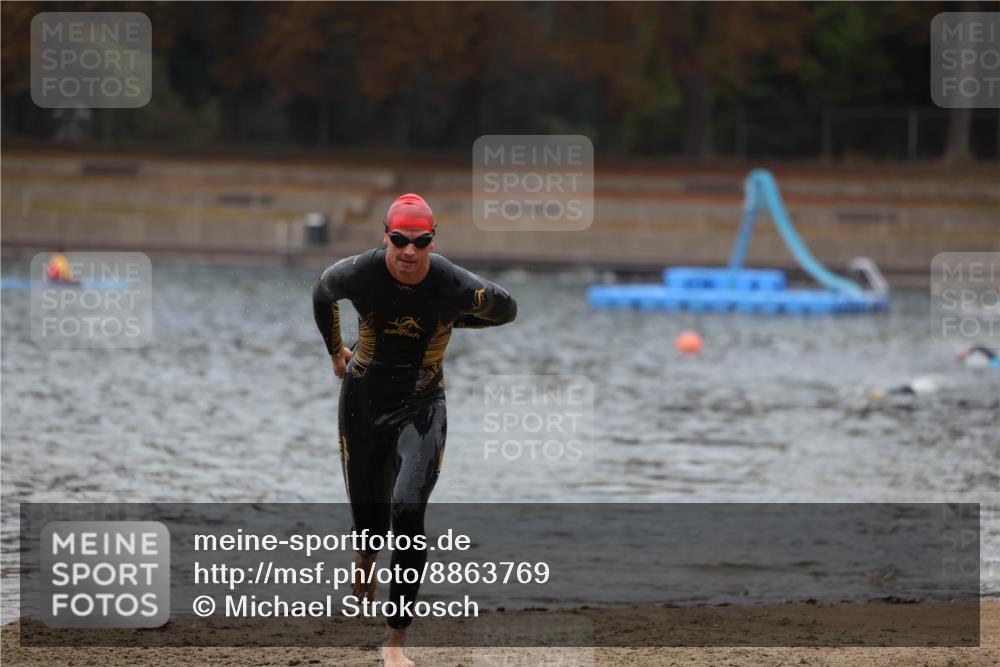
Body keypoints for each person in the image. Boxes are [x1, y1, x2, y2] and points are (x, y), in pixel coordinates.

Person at [312, 193, 517, 667]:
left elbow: (507, 309)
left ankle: (394, 641)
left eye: (420, 242)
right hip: (362, 402)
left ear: (431, 241)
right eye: (399, 240)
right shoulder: (357, 273)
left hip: (422, 405)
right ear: (385, 236)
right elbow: (321, 296)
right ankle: (365, 555)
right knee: (370, 524)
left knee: (407, 511)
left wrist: (455, 319)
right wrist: (333, 350)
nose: (408, 251)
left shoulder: (452, 284)